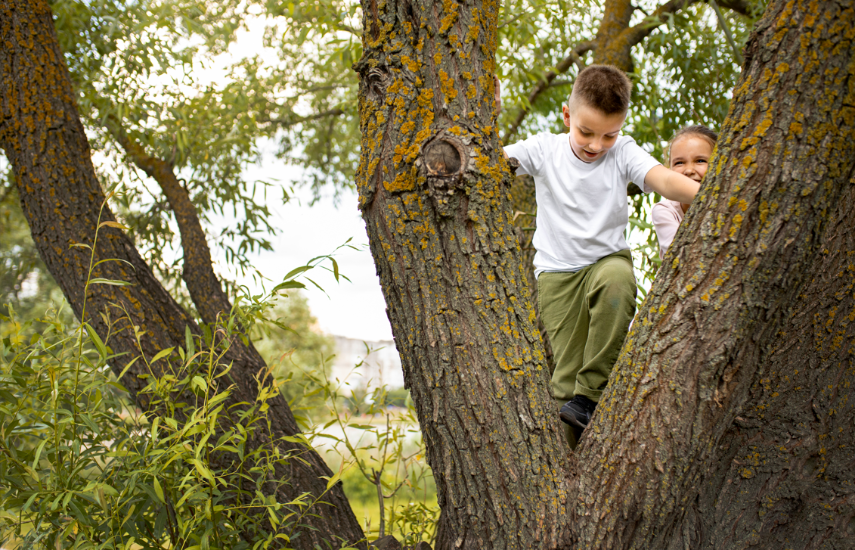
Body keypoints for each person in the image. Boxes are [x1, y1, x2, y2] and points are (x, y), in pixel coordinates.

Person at [500, 65, 700, 446]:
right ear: (567, 115)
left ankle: (591, 396)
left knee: (618, 282)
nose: (595, 145)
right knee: (566, 376)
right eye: (585, 132)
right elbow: (489, 163)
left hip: (607, 263)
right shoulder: (543, 149)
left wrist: (716, 191)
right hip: (557, 275)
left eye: (609, 134)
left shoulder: (622, 152)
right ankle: (569, 454)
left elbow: (663, 180)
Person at [651, 125, 718, 260]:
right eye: (679, 163)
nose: (688, 170)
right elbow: (679, 256)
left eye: (700, 161)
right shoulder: (665, 211)